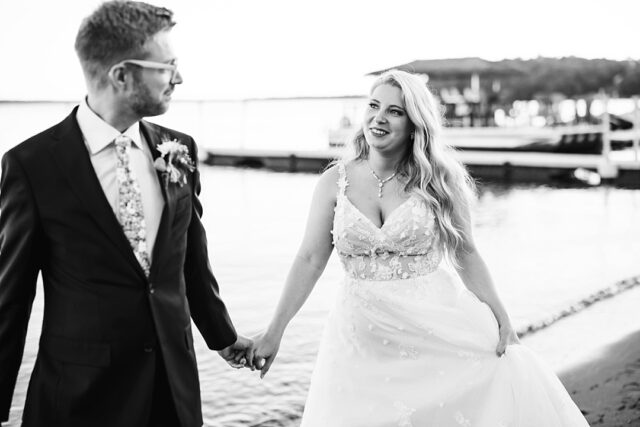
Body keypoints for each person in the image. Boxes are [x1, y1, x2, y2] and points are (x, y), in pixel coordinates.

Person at [249, 70, 589, 426]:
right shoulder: (334, 182)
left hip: (434, 329)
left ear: (415, 123)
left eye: (394, 111)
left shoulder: (441, 180)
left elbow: (466, 253)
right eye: (374, 106)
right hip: (359, 337)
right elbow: (309, 259)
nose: (378, 118)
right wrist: (275, 331)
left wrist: (503, 319)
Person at [0, 2, 251, 426]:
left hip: (173, 391)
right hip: (80, 399)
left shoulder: (180, 149)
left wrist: (222, 337)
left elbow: (191, 260)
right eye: (167, 65)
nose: (179, 77)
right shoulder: (32, 166)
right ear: (121, 74)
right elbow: (10, 297)